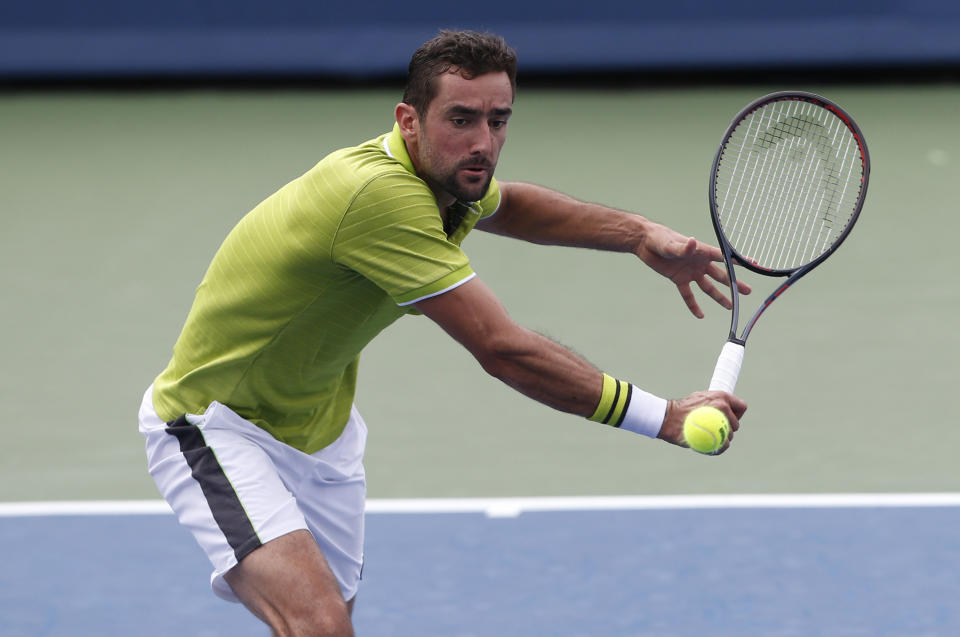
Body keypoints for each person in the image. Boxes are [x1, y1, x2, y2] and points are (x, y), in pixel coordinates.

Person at [138, 29, 748, 637]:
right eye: (461, 119)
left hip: (320, 428)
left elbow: (510, 206)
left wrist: (636, 232)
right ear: (409, 120)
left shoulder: (448, 180)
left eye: (498, 120)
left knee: (328, 623)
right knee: (318, 625)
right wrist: (665, 417)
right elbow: (502, 349)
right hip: (216, 424)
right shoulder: (379, 197)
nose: (484, 143)